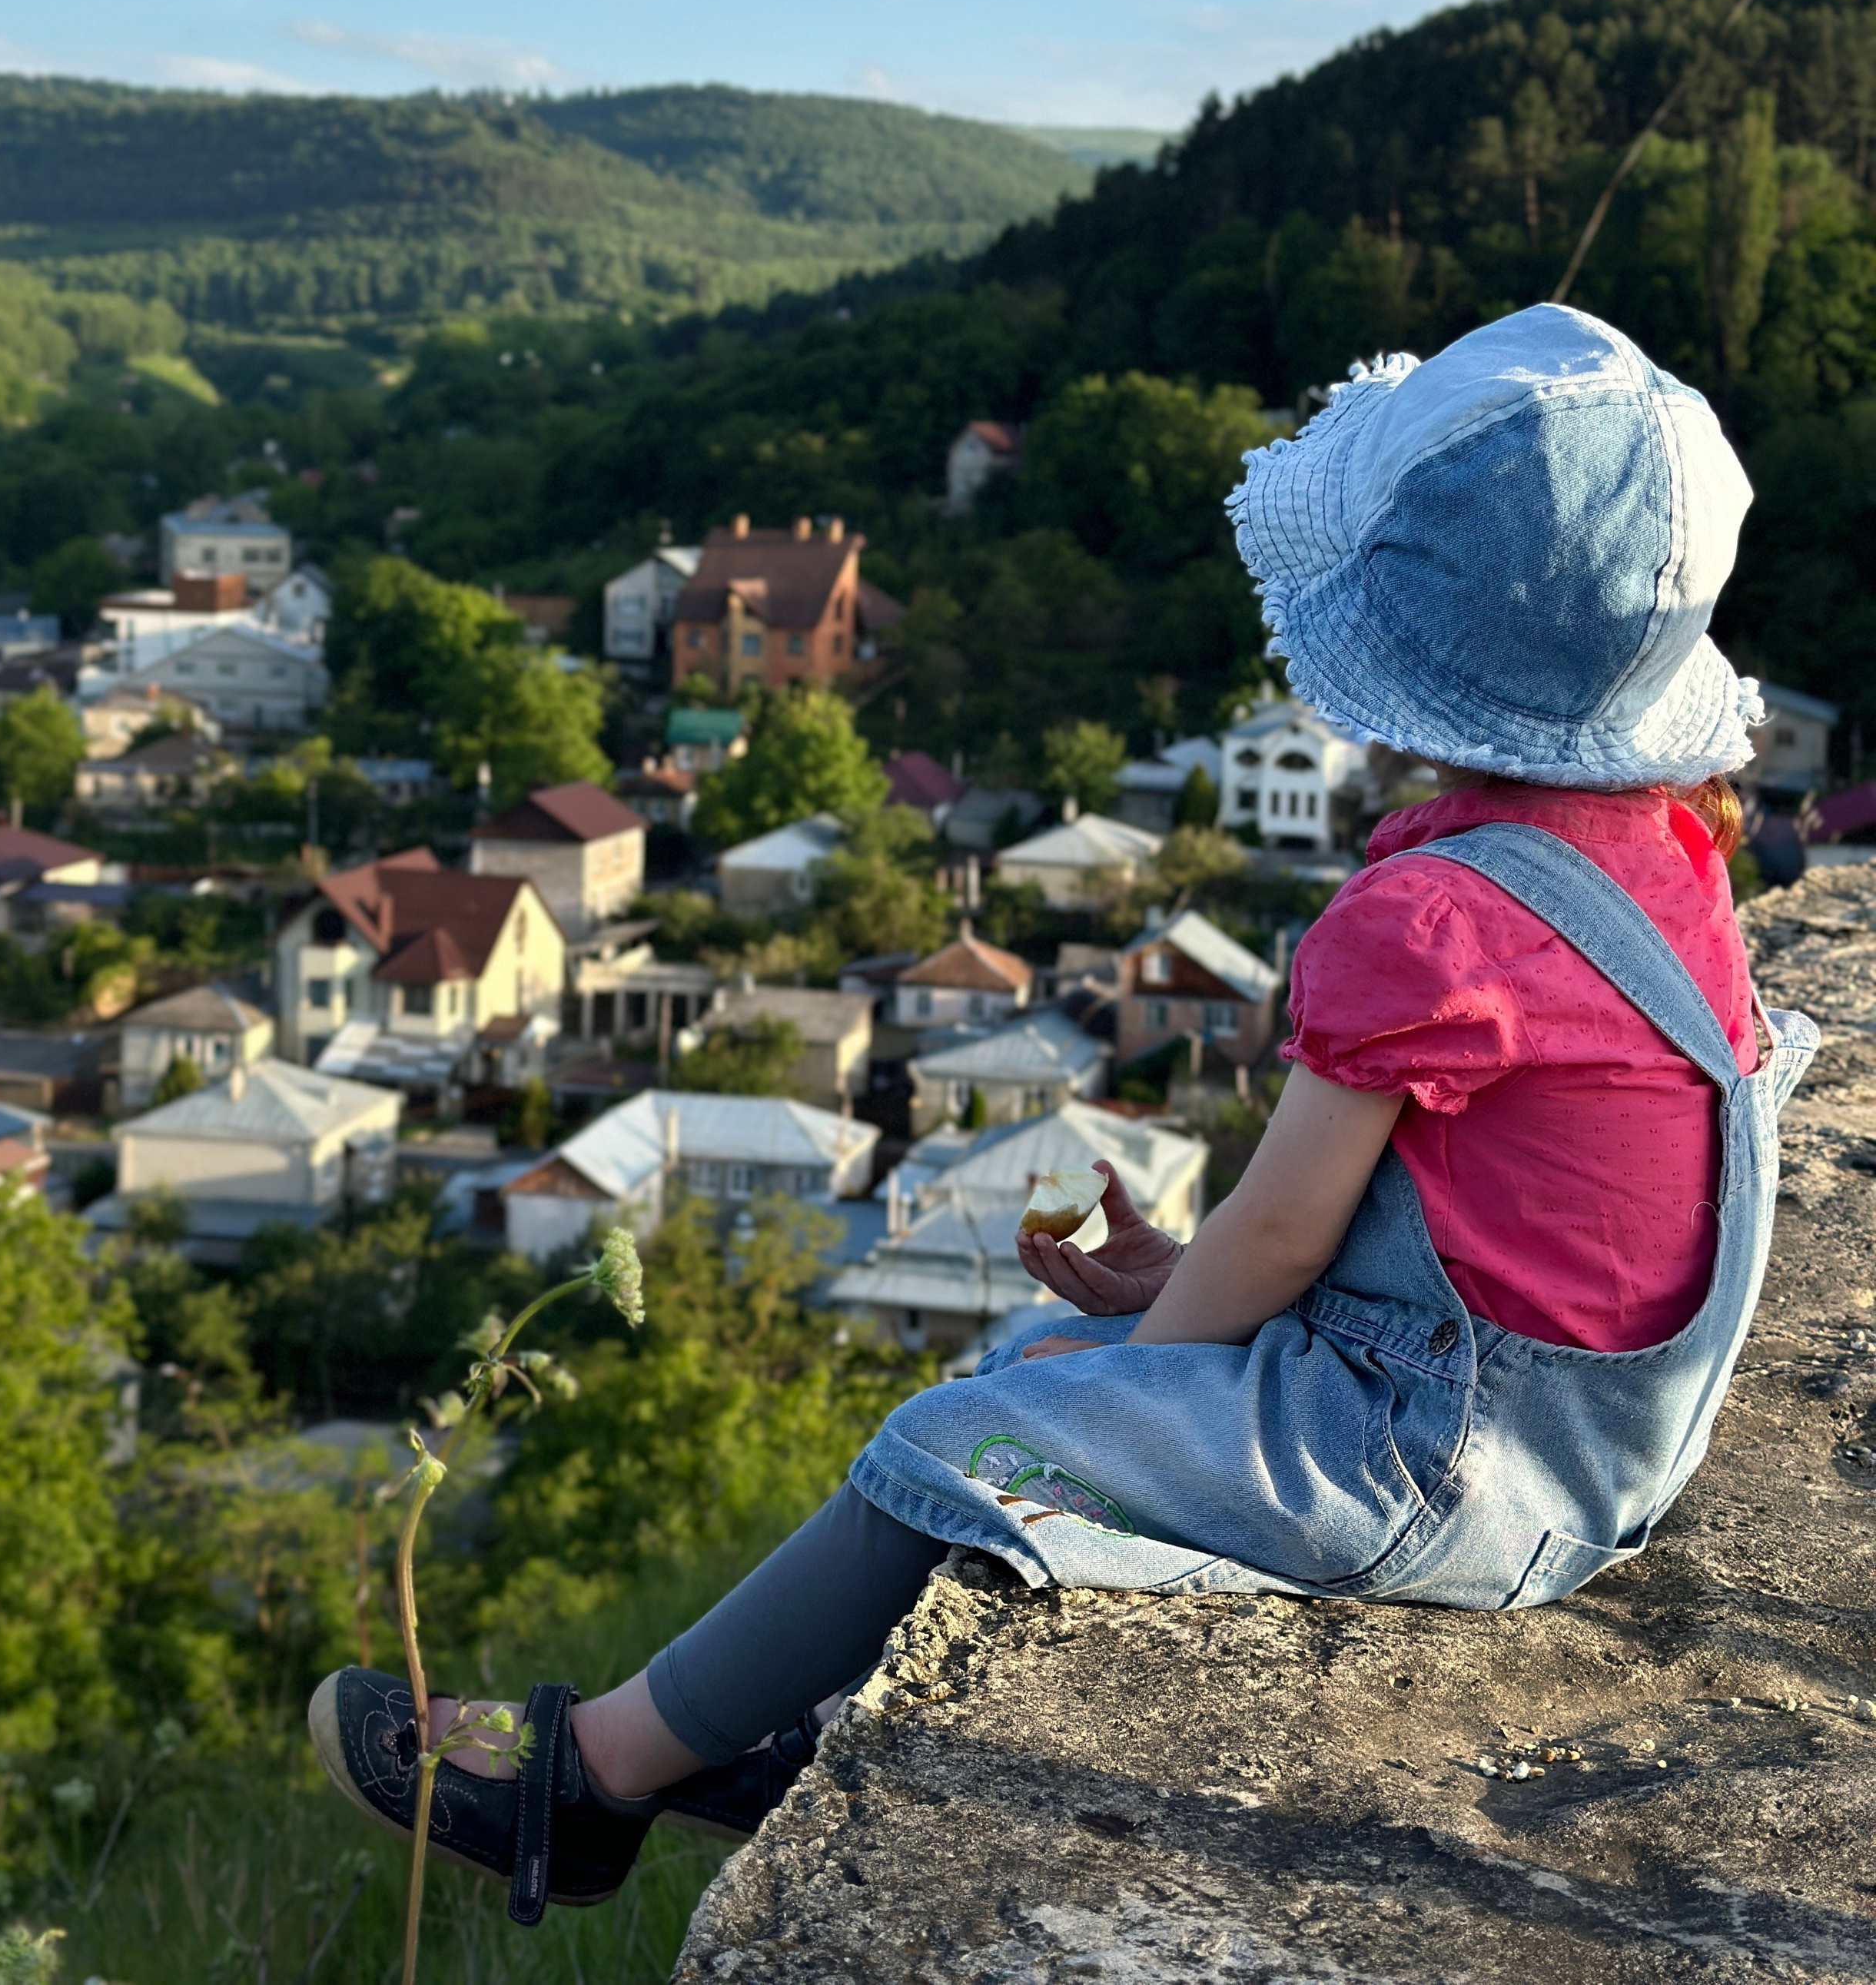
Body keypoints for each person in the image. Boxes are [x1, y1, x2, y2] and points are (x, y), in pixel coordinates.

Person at [307, 302, 1817, 1923]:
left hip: (1452, 1458)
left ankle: (586, 1780)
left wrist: (1155, 1350)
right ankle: (751, 1724)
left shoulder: (1433, 918)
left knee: (965, 1435)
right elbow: (1503, 1206)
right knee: (1043, 1370)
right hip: (1590, 1432)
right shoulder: (1659, 854)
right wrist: (1166, 1305)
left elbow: (1287, 1224)